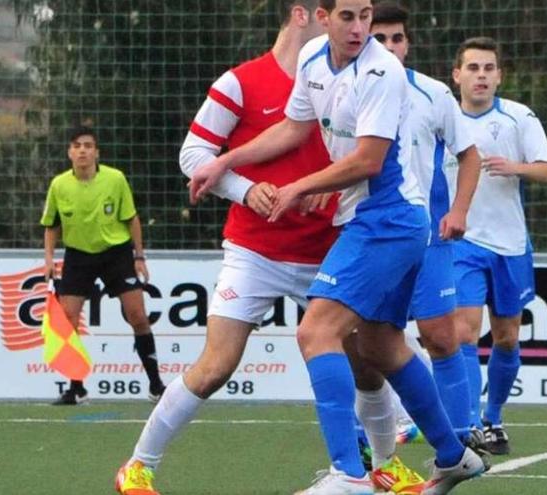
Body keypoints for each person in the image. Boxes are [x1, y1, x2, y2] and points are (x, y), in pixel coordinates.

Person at [188, 1, 485, 494]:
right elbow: (293, 128)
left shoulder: (381, 71)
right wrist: (225, 162)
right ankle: (454, 455)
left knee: (315, 332)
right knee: (380, 345)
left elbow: (369, 160)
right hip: (373, 220)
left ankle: (349, 474)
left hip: (387, 219)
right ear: (321, 17)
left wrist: (297, 188)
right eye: (347, 16)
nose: (359, 27)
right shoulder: (311, 63)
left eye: (365, 15)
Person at [113, 2, 338, 494]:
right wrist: (244, 189)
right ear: (304, 16)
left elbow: (364, 156)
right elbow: (192, 155)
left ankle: (367, 465)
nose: (349, 27)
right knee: (217, 365)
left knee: (360, 358)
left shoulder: (342, 80)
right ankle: (138, 466)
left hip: (328, 248)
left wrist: (337, 189)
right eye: (335, 15)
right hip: (255, 251)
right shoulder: (240, 82)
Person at [349, 4, 484, 492]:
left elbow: (469, 154)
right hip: (368, 237)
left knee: (441, 335)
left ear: (408, 43)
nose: (388, 46)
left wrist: (460, 210)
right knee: (363, 347)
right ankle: (375, 456)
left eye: (397, 38)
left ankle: (459, 440)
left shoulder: (433, 93)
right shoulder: (351, 91)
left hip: (427, 235)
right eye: (378, 37)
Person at [449, 36, 547, 456]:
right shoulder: (443, 118)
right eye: (473, 68)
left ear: (499, 76)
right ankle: (470, 422)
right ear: (457, 75)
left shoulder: (518, 117)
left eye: (488, 68)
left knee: (507, 337)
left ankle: (493, 417)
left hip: (510, 245)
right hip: (462, 241)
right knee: (463, 332)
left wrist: (515, 167)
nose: (481, 76)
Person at [42, 126, 166, 406]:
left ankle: (156, 385)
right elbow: (51, 226)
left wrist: (139, 256)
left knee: (137, 315)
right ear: (69, 152)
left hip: (116, 254)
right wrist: (49, 260)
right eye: (77, 146)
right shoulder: (59, 185)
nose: (82, 150)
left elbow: (131, 219)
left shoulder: (115, 179)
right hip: (78, 256)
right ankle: (76, 388)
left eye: (88, 145)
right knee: (69, 320)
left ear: (97, 152)